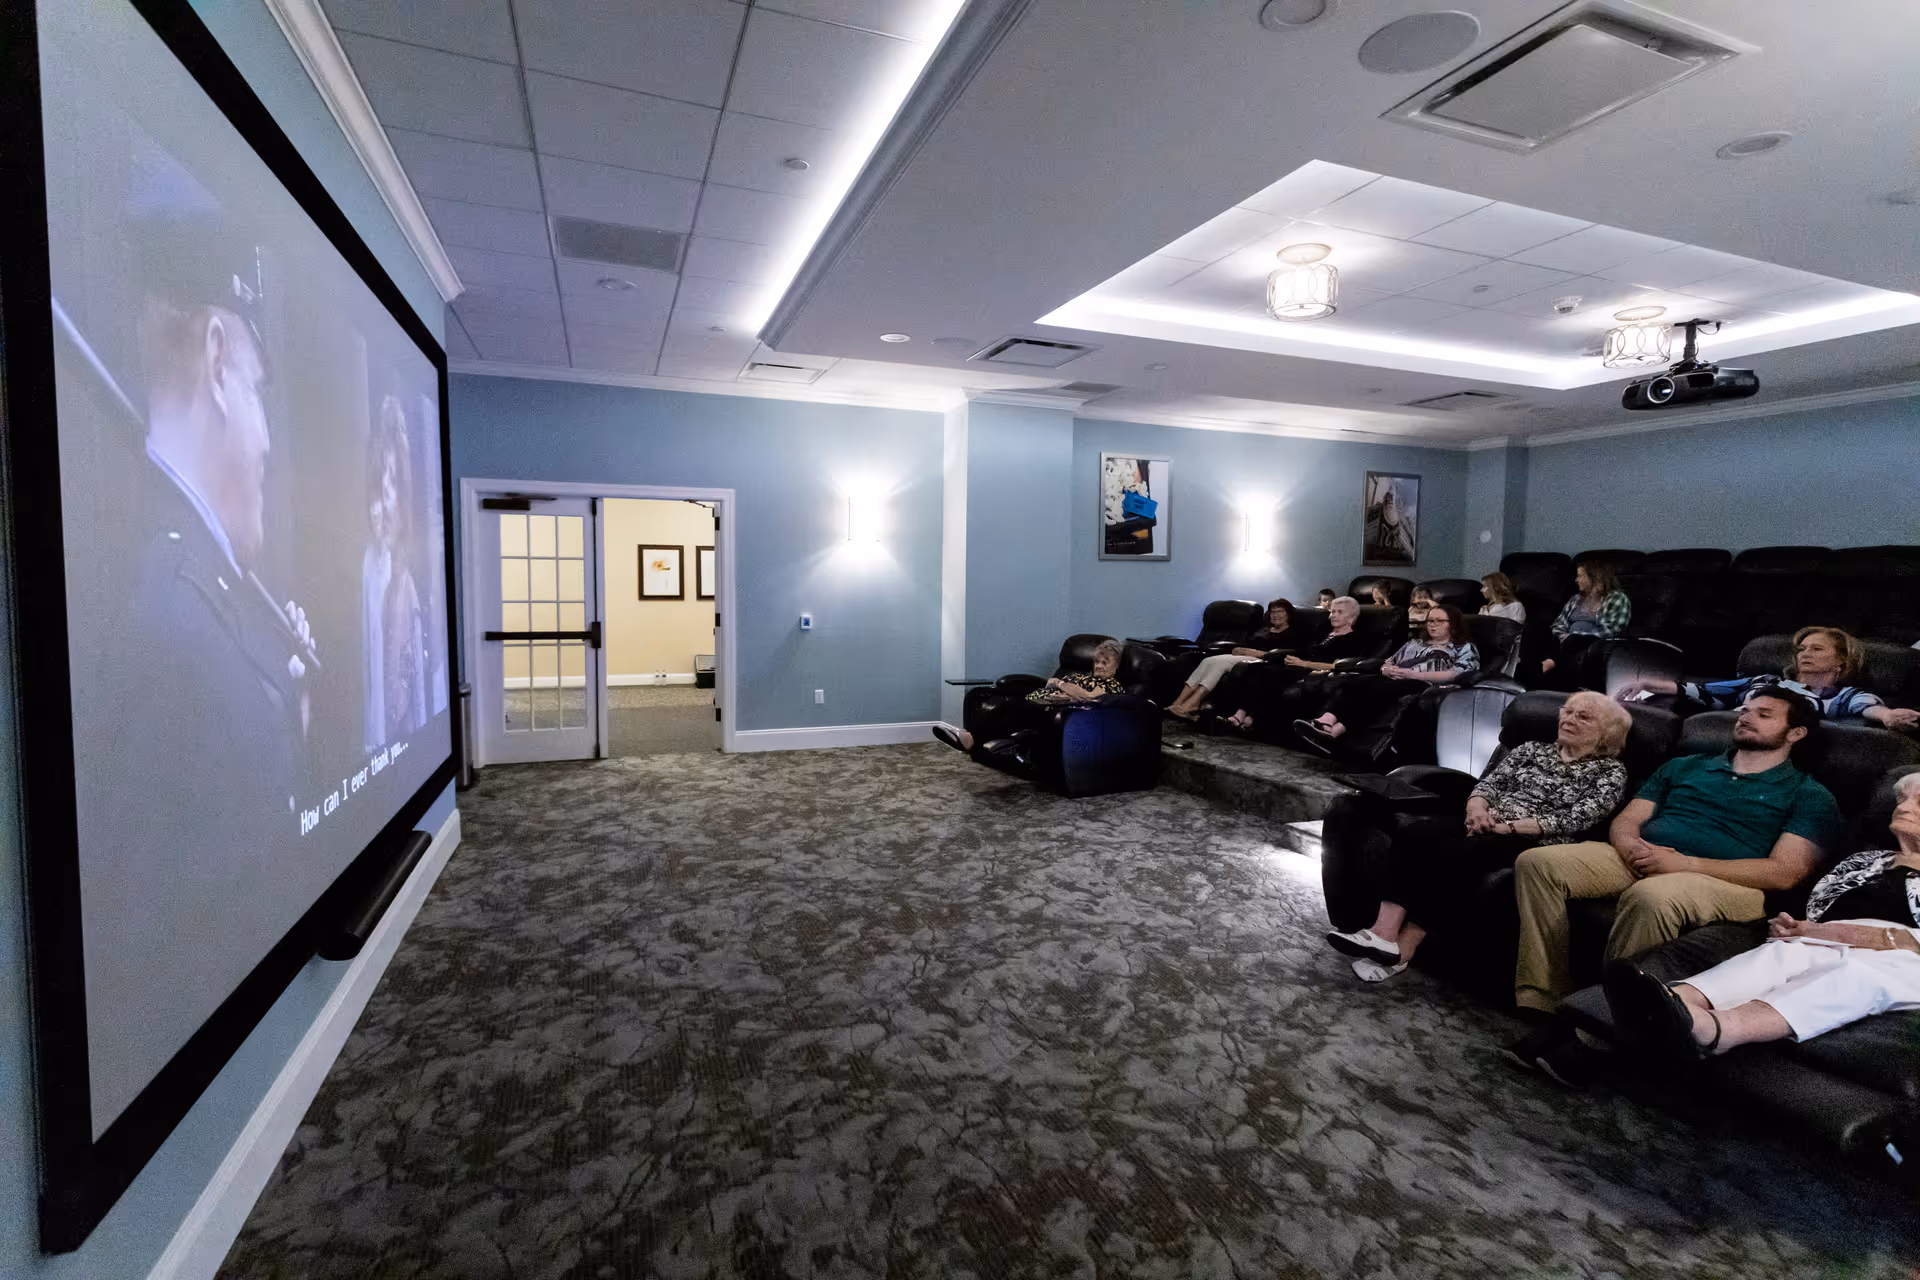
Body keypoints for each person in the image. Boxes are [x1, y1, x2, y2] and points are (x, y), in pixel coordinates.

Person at [1509, 688, 1838, 1016]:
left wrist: (1684, 864)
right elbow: (1628, 820)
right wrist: (1631, 847)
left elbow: (1784, 872)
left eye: (1763, 714)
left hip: (1731, 884)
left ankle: (1606, 1020)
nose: (1746, 718)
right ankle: (1542, 996)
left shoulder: (1809, 794)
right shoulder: (1685, 765)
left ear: (1795, 733)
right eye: (1745, 711)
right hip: (1644, 857)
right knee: (1539, 863)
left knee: (1652, 896)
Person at [1604, 772, 1920, 1062]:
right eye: (1903, 799)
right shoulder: (1865, 860)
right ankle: (1675, 1001)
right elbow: (1817, 907)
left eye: (1918, 801)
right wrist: (1793, 925)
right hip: (1830, 936)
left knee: (1860, 975)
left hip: (1907, 953)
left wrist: (1853, 936)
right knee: (1783, 954)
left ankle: (1719, 1029)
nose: (1903, 806)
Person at [1327, 692, 1631, 981]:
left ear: (1607, 732)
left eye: (1583, 717)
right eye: (1568, 711)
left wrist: (1509, 827)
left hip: (1534, 840)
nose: (1569, 719)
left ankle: (1405, 948)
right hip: (1486, 821)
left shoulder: (1610, 772)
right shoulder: (1531, 749)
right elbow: (1489, 785)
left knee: (1458, 857)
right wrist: (1476, 810)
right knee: (1417, 834)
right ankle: (1382, 934)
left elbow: (1578, 817)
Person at [1616, 625, 1917, 731]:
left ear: (1841, 661)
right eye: (1801, 649)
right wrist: (1649, 683)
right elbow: (1708, 691)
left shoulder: (1841, 697)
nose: (1804, 654)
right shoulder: (1764, 680)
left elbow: (1867, 707)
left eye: (1816, 649)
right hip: (1721, 731)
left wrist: (1888, 716)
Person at [1293, 604, 1479, 755]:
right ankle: (1326, 722)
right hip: (1397, 678)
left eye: (1440, 621)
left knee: (1378, 690)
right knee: (1356, 682)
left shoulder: (1463, 647)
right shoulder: (1414, 643)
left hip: (1425, 684)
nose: (1433, 625)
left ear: (1453, 624)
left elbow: (1457, 673)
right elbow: (1389, 661)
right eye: (1430, 620)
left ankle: (1334, 732)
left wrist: (1412, 674)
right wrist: (1386, 670)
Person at [362, 394, 429, 749]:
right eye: (377, 487)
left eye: (391, 487)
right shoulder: (370, 569)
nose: (380, 506)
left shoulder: (406, 580)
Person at [1216, 596, 1373, 735]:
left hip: (1314, 672)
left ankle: (1246, 718)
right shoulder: (1322, 633)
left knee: (1270, 674)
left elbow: (1340, 665)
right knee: (1258, 669)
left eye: (1339, 612)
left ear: (1351, 617)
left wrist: (1305, 663)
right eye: (1332, 612)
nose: (1333, 615)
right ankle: (1242, 716)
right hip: (1296, 666)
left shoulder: (1355, 638)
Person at [933, 639, 1126, 752]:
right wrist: (1055, 684)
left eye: (1105, 662)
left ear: (1116, 667)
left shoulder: (1112, 684)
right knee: (993, 699)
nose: (1099, 666)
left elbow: (1089, 697)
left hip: (1056, 709)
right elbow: (1052, 684)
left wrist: (1060, 684)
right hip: (1042, 697)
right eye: (1097, 661)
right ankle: (972, 738)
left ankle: (972, 739)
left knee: (1016, 710)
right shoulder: (1081, 676)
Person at [1166, 599, 1295, 720]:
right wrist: (1238, 648)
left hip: (1262, 661)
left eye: (1280, 611)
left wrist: (1260, 653)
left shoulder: (1292, 633)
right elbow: (1248, 643)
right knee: (1208, 661)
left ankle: (1192, 704)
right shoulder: (1264, 630)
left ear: (1288, 614)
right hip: (1244, 655)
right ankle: (1178, 703)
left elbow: (1286, 653)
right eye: (1273, 612)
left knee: (1218, 664)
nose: (1275, 615)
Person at [1540, 558, 1630, 689]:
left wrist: (1578, 636)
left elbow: (1612, 630)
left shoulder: (1616, 598)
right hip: (1568, 642)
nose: (1576, 580)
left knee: (1573, 641)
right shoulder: (1576, 599)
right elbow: (1558, 624)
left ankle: (1553, 661)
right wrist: (1566, 637)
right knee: (1544, 634)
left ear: (1595, 577)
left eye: (1581, 576)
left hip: (1595, 644)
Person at [1479, 572, 1526, 675]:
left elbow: (1515, 632)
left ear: (1494, 588)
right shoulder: (1485, 608)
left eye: (1484, 587)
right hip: (1482, 648)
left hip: (1503, 651)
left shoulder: (1515, 606)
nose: (1481, 590)